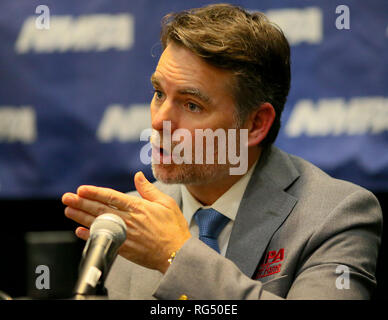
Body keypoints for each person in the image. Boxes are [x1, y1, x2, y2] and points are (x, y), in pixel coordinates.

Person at [62, 4, 382, 299]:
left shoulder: (335, 216)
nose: (159, 121)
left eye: (191, 104)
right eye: (159, 93)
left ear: (256, 123)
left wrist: (176, 253)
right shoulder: (126, 223)